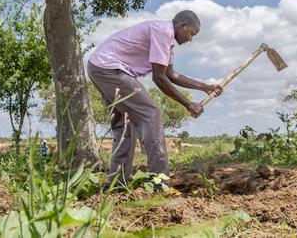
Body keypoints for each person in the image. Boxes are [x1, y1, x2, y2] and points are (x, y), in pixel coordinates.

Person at [86, 10, 223, 187]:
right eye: (191, 33)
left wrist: (205, 87)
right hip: (111, 69)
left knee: (125, 126)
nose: (191, 39)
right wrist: (188, 104)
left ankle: (117, 185)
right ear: (182, 25)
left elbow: (171, 74)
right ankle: (160, 184)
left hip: (99, 67)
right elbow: (159, 78)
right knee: (152, 114)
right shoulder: (163, 32)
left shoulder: (167, 39)